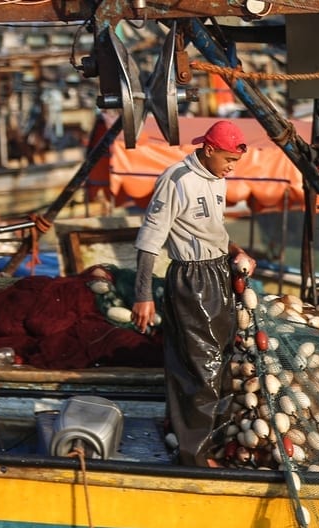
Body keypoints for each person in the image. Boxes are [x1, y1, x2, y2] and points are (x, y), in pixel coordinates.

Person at [131, 119, 256, 467]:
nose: (232, 167)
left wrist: (236, 252)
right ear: (209, 149)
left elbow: (213, 229)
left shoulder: (218, 178)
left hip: (218, 272)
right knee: (202, 367)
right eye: (228, 159)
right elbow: (149, 240)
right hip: (191, 280)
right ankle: (195, 457)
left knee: (222, 360)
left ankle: (210, 444)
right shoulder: (176, 180)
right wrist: (143, 295)